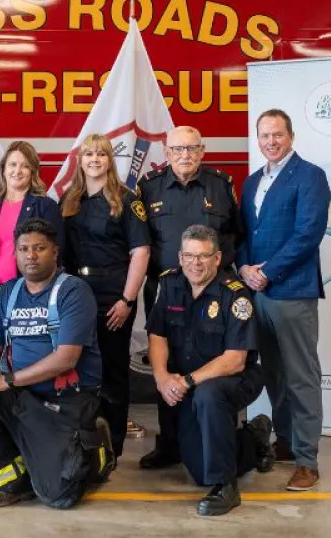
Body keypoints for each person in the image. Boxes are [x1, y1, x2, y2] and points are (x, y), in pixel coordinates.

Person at [0, 218, 113, 510]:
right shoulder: (9, 293)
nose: (31, 255)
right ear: (15, 253)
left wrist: (7, 380)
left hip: (63, 401)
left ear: (55, 252)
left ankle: (95, 447)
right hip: (22, 396)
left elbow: (67, 358)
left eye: (40, 248)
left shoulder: (74, 292)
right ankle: (15, 484)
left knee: (59, 497)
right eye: (23, 248)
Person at [145, 225, 275, 516]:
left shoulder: (235, 294)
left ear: (217, 258)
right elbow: (157, 336)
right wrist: (163, 378)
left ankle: (225, 486)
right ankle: (252, 439)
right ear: (180, 257)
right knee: (198, 470)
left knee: (207, 393)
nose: (195, 263)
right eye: (189, 256)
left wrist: (186, 382)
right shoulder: (169, 285)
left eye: (203, 256)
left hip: (233, 379)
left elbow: (235, 360)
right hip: (188, 382)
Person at [136, 126, 243, 470]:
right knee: (166, 364)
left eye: (192, 148)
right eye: (178, 149)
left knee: (214, 365)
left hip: (215, 293)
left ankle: (226, 437)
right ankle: (169, 444)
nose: (185, 155)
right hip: (167, 293)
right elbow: (141, 244)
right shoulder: (148, 188)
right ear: (166, 153)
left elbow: (237, 236)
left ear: (203, 150)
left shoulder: (221, 185)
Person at [238, 109, 331, 491]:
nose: (271, 141)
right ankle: (288, 444)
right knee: (274, 374)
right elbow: (242, 231)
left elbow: (308, 234)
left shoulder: (310, 176)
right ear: (257, 139)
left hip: (291, 291)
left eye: (277, 134)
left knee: (301, 376)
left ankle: (308, 460)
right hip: (256, 292)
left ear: (290, 136)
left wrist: (267, 272)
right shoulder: (250, 182)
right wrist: (244, 268)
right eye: (264, 135)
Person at [60, 134, 150, 460]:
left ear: (110, 160)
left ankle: (113, 449)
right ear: (80, 160)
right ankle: (84, 443)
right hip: (76, 297)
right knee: (78, 371)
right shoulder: (69, 201)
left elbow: (140, 252)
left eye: (101, 154)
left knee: (112, 372)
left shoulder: (126, 200)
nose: (94, 160)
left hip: (114, 297)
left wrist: (127, 300)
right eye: (88, 154)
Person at [0, 141, 63, 332]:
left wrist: (34, 290)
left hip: (35, 299)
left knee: (29, 357)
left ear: (33, 172)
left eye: (25, 165)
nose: (18, 170)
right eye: (13, 164)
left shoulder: (46, 206)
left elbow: (57, 251)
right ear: (3, 169)